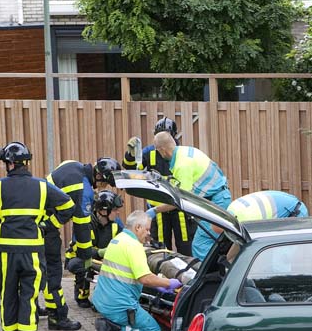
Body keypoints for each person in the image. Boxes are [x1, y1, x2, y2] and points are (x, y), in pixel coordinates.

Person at [0, 142, 74, 331]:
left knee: (8, 294)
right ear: (26, 163)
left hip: (6, 251)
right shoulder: (42, 186)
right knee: (30, 295)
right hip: (33, 252)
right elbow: (68, 206)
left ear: (9, 164)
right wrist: (46, 226)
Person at [43, 157, 121, 331]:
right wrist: (87, 257)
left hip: (39, 221)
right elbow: (82, 227)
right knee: (53, 271)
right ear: (99, 176)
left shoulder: (72, 164)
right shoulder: (83, 190)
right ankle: (57, 317)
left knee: (39, 270)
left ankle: (38, 309)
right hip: (46, 226)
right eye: (106, 183)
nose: (105, 187)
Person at [91, 210, 182, 331]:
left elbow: (133, 274)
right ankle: (114, 328)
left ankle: (113, 321)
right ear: (137, 227)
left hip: (101, 300)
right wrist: (169, 282)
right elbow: (145, 278)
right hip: (119, 306)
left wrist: (156, 283)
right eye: (147, 229)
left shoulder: (117, 240)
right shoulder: (134, 246)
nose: (148, 233)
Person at [149, 132, 231, 260]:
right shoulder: (185, 152)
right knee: (214, 244)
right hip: (216, 199)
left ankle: (207, 278)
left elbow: (181, 200)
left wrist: (155, 210)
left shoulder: (182, 165)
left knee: (201, 244)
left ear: (162, 150)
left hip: (216, 201)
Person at [123, 116, 196, 256]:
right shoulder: (148, 152)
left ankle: (189, 274)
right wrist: (130, 155)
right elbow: (130, 170)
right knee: (161, 249)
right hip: (158, 211)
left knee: (186, 247)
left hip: (180, 209)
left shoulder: (181, 153)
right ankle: (163, 275)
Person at [192, 190, 309, 260]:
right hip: (282, 204)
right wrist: (227, 259)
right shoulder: (231, 210)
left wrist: (229, 262)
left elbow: (242, 245)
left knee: (279, 259)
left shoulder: (246, 221)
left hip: (294, 212)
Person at [64, 190, 124, 308]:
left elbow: (125, 238)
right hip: (79, 258)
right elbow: (81, 250)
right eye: (115, 210)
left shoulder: (116, 223)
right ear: (103, 211)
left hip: (101, 258)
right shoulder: (85, 224)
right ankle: (82, 296)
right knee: (84, 264)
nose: (118, 212)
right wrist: (100, 252)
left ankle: (103, 296)